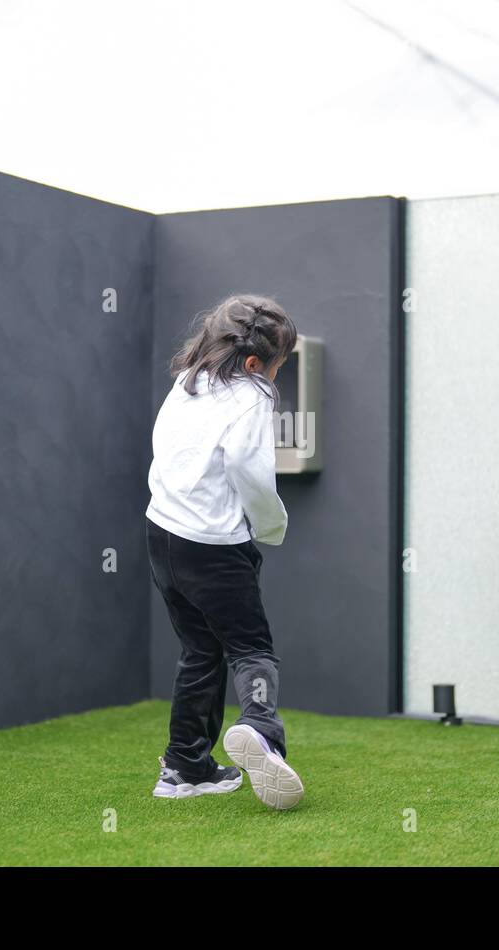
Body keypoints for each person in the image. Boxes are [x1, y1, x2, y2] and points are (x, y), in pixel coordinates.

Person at [146, 293, 305, 810]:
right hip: (214, 546)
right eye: (278, 367)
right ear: (257, 363)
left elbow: (166, 448)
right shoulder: (253, 394)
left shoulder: (188, 380)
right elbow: (247, 466)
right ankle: (259, 727)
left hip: (162, 536)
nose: (274, 378)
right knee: (250, 647)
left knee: (200, 650)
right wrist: (270, 524)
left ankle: (184, 768)